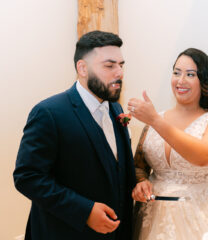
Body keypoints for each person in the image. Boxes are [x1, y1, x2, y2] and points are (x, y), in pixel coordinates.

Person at [13, 31, 136, 240]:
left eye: (121, 65)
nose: (119, 73)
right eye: (109, 65)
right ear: (82, 68)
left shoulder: (116, 109)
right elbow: (27, 177)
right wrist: (85, 211)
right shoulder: (49, 113)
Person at [128, 48, 208, 239]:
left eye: (190, 74)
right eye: (176, 72)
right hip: (153, 220)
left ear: (204, 81)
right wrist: (141, 182)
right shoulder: (157, 118)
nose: (180, 80)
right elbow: (139, 166)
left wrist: (155, 121)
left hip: (202, 217)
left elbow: (203, 157)